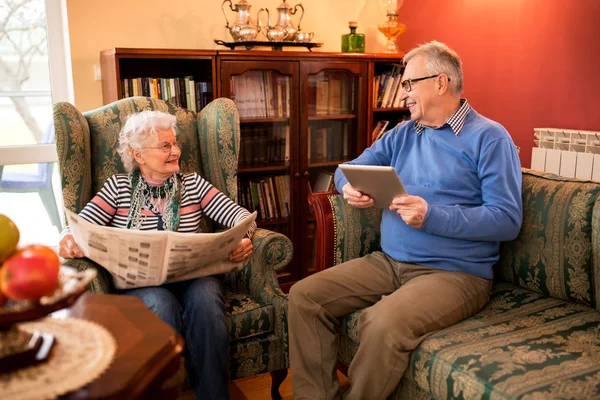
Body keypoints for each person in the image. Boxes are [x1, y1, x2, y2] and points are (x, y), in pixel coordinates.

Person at [288, 41, 523, 399]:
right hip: (389, 262)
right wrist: (349, 187)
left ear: (441, 83)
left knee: (381, 323)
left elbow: (506, 220)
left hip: (455, 274)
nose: (404, 94)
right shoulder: (402, 134)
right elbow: (346, 171)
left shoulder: (490, 138)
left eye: (410, 84)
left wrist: (433, 216)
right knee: (304, 296)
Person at [59, 110, 255, 400]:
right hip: (141, 282)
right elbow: (78, 227)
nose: (175, 150)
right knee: (160, 305)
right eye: (165, 146)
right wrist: (66, 240)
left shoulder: (194, 184)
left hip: (195, 276)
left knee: (207, 303)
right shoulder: (117, 188)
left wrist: (244, 239)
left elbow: (242, 218)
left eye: (175, 143)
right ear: (138, 154)